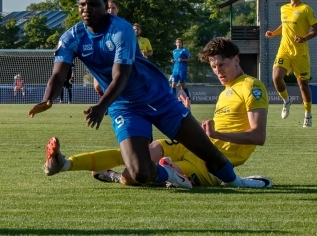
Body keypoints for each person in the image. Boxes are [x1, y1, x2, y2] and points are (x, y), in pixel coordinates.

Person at [28, 0, 269, 189]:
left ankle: (238, 183)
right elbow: (58, 74)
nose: (86, 9)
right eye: (82, 4)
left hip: (158, 98)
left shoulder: (121, 30)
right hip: (125, 107)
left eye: (93, 4)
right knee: (140, 172)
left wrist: (101, 106)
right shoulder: (71, 37)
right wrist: (48, 97)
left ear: (105, 6)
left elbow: (121, 76)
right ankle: (169, 175)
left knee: (209, 153)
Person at [91, 37, 270, 187]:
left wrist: (217, 134)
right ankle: (122, 173)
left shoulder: (252, 86)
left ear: (236, 60)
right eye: (214, 67)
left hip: (212, 161)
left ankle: (119, 176)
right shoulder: (225, 92)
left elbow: (258, 136)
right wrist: (189, 117)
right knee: (145, 156)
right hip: (194, 144)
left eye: (222, 64)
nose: (218, 71)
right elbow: (212, 131)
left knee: (134, 177)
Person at [265, 0, 317, 127]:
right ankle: (286, 100)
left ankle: (308, 115)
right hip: (284, 50)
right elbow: (284, 26)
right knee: (276, 77)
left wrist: (304, 38)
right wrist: (273, 33)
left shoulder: (306, 9)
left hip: (300, 53)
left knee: (303, 85)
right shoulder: (283, 8)